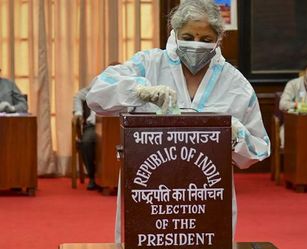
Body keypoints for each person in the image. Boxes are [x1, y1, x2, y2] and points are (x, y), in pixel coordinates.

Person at [86, 0, 270, 242]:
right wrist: (139, 91)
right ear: (174, 33)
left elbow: (258, 150)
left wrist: (237, 135)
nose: (196, 44)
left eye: (205, 39)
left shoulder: (235, 83)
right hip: (148, 196)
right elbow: (96, 95)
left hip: (206, 200)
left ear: (218, 39)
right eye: (188, 36)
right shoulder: (149, 64)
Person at [73, 84, 98, 190]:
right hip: (94, 126)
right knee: (86, 143)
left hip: (117, 126)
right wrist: (78, 112)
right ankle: (92, 176)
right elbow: (79, 95)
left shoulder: (128, 85)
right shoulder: (99, 82)